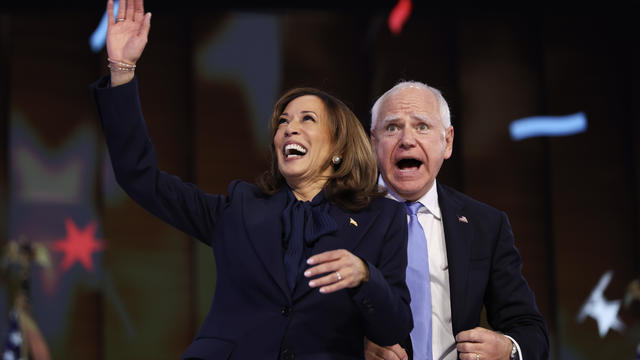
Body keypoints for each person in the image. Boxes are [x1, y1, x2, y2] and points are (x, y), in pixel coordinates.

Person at [90, 0, 413, 359]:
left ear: (339, 146)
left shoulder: (382, 219)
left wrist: (365, 275)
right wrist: (122, 70)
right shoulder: (239, 207)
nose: (289, 129)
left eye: (307, 119)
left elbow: (395, 326)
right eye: (283, 122)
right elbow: (140, 177)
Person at [365, 81, 549, 360]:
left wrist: (507, 349)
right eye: (392, 127)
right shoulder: (340, 215)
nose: (407, 139)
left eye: (422, 126)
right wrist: (356, 348)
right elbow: (302, 322)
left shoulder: (486, 224)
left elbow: (529, 328)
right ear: (372, 142)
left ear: (447, 142)